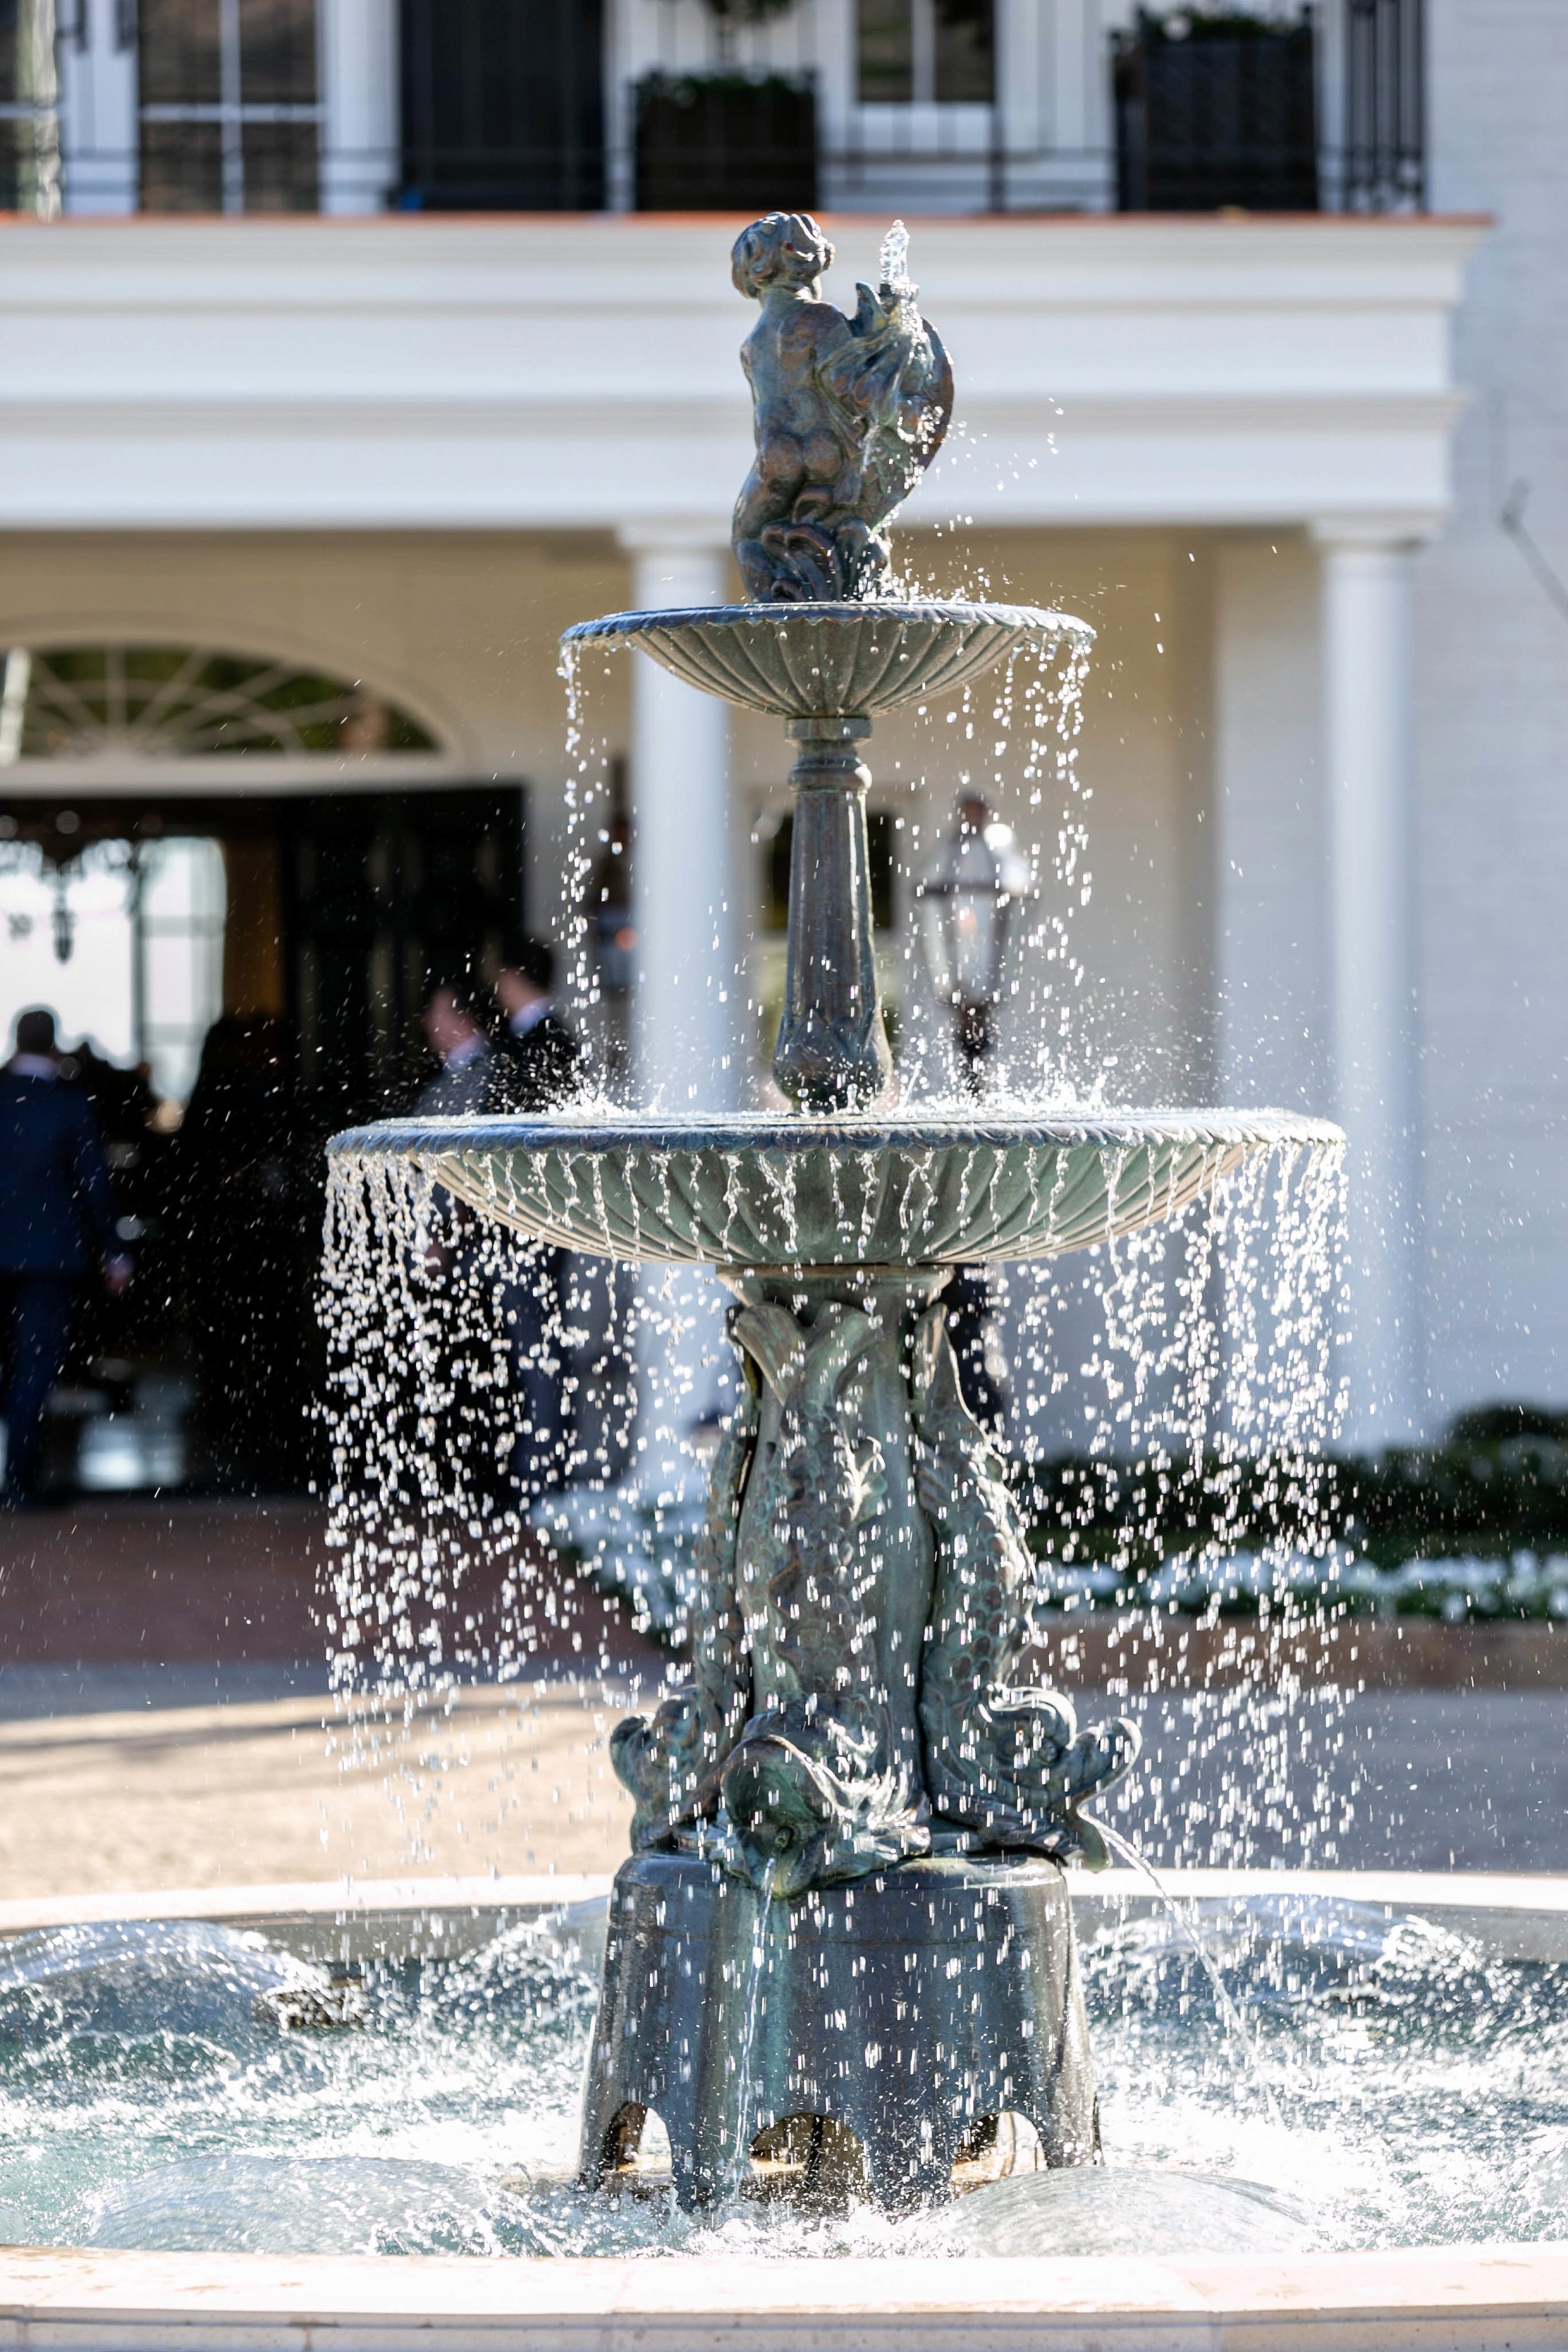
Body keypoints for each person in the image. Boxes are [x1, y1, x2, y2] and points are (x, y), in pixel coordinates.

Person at [0, 1009, 130, 1504]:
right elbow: (94, 1184)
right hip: (50, 1256)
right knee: (33, 1369)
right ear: (54, 1047)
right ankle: (19, 1481)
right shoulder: (69, 1105)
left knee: (17, 1369)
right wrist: (115, 1253)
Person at [489, 940, 584, 1502]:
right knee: (536, 1345)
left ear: (513, 977)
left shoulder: (540, 1043)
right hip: (536, 1222)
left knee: (537, 1348)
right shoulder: (549, 1040)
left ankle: (542, 1476)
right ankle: (538, 1469)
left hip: (530, 1223)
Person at [490, 938, 584, 1113]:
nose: (497, 986)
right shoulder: (553, 1033)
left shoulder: (544, 1039)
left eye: (501, 976)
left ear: (514, 978)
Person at [413, 978, 493, 1116]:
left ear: (465, 1017)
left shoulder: (490, 1074)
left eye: (437, 1014)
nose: (428, 1022)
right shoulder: (459, 1071)